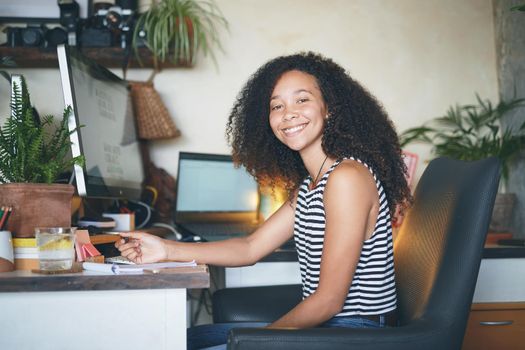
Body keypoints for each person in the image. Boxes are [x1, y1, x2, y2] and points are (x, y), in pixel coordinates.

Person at [116, 52, 412, 349]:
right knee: (182, 340)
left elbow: (329, 301)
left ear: (329, 108)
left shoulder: (347, 177)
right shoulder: (311, 184)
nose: (288, 113)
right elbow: (250, 248)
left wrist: (258, 341)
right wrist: (166, 249)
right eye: (277, 106)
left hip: (356, 333)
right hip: (330, 326)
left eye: (302, 100)